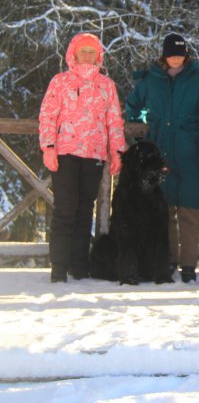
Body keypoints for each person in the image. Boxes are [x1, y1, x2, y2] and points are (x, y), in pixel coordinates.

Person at [125, 33, 199, 283]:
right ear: (164, 55)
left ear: (186, 54)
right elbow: (132, 106)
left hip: (191, 151)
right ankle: (167, 260)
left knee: (189, 211)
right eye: (171, 53)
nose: (176, 58)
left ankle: (189, 264)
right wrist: (138, 138)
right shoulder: (151, 80)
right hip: (160, 151)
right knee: (164, 211)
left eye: (180, 53)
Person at [39, 33, 126, 283]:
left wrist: (117, 151)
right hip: (65, 153)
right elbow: (47, 115)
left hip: (94, 155)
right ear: (73, 54)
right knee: (65, 209)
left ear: (99, 55)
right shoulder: (60, 82)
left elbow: (114, 121)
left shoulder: (106, 85)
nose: (88, 55)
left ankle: (79, 265)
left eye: (92, 51)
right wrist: (48, 146)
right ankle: (58, 268)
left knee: (85, 210)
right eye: (83, 51)